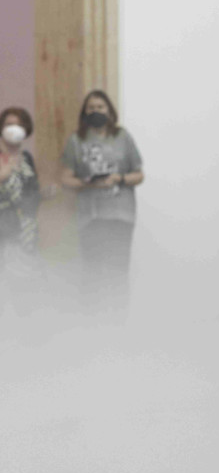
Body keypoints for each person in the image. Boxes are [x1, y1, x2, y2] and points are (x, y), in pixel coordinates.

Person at [61, 90, 144, 309]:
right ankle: (91, 320)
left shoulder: (122, 137)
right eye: (91, 108)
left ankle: (118, 319)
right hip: (91, 216)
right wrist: (86, 182)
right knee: (92, 271)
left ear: (109, 111)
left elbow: (139, 175)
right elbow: (65, 178)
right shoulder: (76, 140)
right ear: (84, 112)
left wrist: (120, 178)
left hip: (120, 215)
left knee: (118, 271)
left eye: (100, 107)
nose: (96, 111)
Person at [0, 106, 42, 309]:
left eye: (18, 125)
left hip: (25, 230)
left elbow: (33, 192)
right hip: (3, 229)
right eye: (9, 124)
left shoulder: (27, 159)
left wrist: (43, 195)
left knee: (25, 291)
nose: (13, 128)